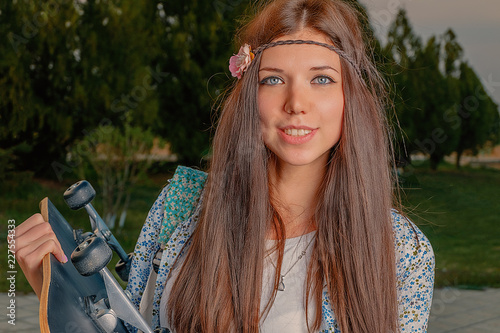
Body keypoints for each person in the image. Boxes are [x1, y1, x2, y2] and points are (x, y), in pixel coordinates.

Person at [14, 0, 435, 332]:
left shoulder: (402, 252)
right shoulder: (179, 206)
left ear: (351, 97)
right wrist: (57, 289)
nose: (296, 103)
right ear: (248, 92)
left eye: (321, 78)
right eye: (273, 79)